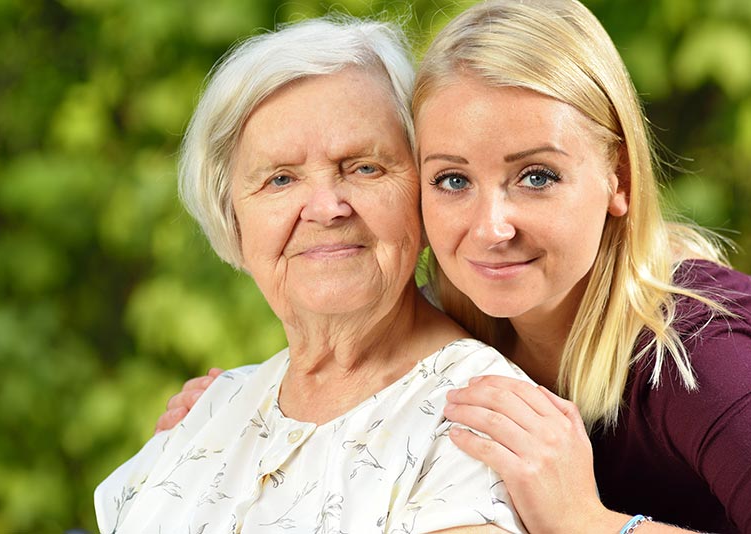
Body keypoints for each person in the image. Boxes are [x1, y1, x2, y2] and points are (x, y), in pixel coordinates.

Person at [158, 1, 751, 533]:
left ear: (618, 179)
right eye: (453, 179)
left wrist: (589, 522)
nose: (490, 227)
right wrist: (242, 413)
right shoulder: (470, 312)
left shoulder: (703, 355)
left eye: (537, 176)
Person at [94, 16, 531, 534]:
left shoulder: (480, 415)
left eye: (364, 167)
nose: (326, 207)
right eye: (281, 179)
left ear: (426, 192)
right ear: (231, 216)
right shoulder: (211, 409)